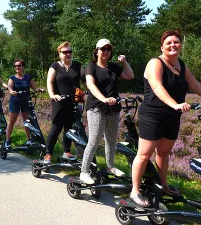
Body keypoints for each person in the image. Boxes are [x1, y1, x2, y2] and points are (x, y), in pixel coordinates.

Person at [129, 30, 201, 207]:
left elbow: (195, 85)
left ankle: (163, 185)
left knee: (163, 153)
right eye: (168, 43)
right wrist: (175, 104)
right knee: (144, 154)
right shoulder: (155, 62)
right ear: (162, 46)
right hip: (153, 114)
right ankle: (135, 191)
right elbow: (156, 86)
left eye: (176, 42)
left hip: (172, 116)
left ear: (180, 46)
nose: (173, 45)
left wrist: (176, 108)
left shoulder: (181, 66)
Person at [80, 39, 134, 184]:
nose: (106, 52)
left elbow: (130, 76)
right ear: (96, 51)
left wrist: (124, 62)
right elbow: (90, 85)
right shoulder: (91, 66)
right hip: (96, 107)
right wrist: (103, 99)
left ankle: (110, 167)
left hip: (113, 108)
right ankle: (84, 171)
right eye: (103, 49)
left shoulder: (113, 67)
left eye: (108, 49)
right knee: (95, 139)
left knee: (111, 140)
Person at [44, 41, 83, 163]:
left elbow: (86, 79)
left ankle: (67, 151)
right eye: (65, 52)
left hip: (73, 102)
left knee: (69, 129)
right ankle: (48, 154)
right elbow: (50, 81)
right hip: (59, 102)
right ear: (59, 53)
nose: (68, 54)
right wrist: (52, 95)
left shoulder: (77, 65)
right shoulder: (55, 66)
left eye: (69, 52)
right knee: (56, 128)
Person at [4, 59, 39, 148]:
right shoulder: (12, 78)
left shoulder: (27, 77)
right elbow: (10, 86)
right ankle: (7, 140)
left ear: (23, 67)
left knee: (27, 121)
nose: (17, 67)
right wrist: (11, 91)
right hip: (15, 101)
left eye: (19, 65)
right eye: (15, 66)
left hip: (26, 101)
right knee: (12, 121)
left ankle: (29, 139)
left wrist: (39, 90)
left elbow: (35, 87)